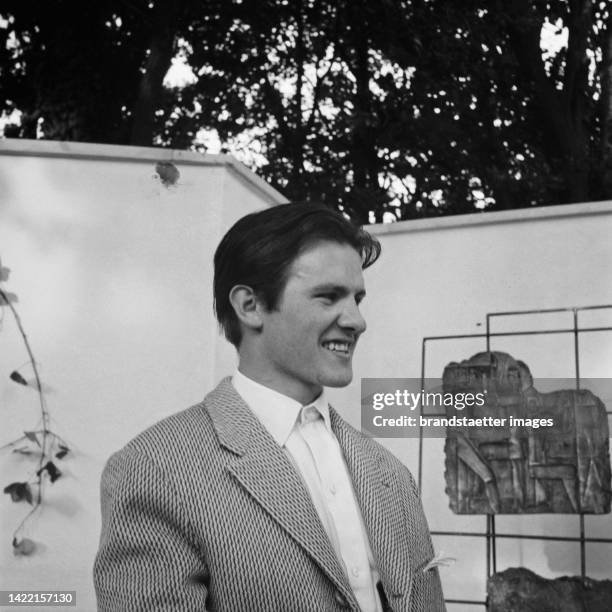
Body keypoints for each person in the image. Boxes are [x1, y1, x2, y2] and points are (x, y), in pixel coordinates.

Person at [93, 202, 446, 611]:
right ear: (250, 306)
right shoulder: (155, 469)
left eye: (358, 299)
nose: (356, 320)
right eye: (329, 296)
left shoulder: (390, 472)